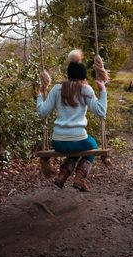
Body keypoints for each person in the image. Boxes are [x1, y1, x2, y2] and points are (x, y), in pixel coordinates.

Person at [37, 61, 107, 191]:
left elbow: (42, 112)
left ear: (68, 75)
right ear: (83, 77)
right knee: (92, 146)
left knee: (74, 150)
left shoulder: (56, 89)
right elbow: (101, 112)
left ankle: (63, 175)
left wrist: (41, 93)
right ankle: (79, 178)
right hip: (79, 140)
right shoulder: (85, 89)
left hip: (57, 142)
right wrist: (102, 90)